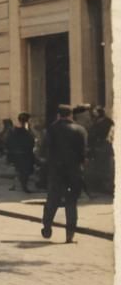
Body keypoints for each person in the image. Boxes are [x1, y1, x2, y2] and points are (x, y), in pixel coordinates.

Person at [40, 104, 88, 243]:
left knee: (52, 200)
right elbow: (84, 153)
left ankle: (47, 227)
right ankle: (70, 234)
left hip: (56, 171)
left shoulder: (52, 129)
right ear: (71, 115)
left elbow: (43, 151)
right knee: (71, 202)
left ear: (58, 115)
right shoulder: (80, 130)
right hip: (74, 171)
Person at [6, 112, 36, 193]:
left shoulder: (12, 129)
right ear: (27, 120)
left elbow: (8, 141)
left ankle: (18, 185)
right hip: (25, 154)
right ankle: (24, 186)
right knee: (25, 170)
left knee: (19, 169)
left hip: (15, 153)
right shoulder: (26, 131)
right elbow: (31, 141)